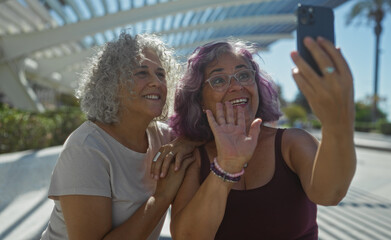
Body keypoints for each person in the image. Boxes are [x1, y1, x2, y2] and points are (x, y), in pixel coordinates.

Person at [169, 37, 356, 239]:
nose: (236, 86)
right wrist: (227, 166)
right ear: (199, 100)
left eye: (244, 75)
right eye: (218, 80)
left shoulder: (292, 143)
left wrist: (337, 124)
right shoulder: (193, 158)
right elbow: (187, 237)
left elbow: (330, 194)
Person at [41, 32, 195, 240]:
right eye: (142, 73)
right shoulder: (86, 149)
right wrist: (161, 196)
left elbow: (207, 134)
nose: (156, 82)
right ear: (111, 84)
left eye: (161, 74)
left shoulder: (164, 137)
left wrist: (186, 142)